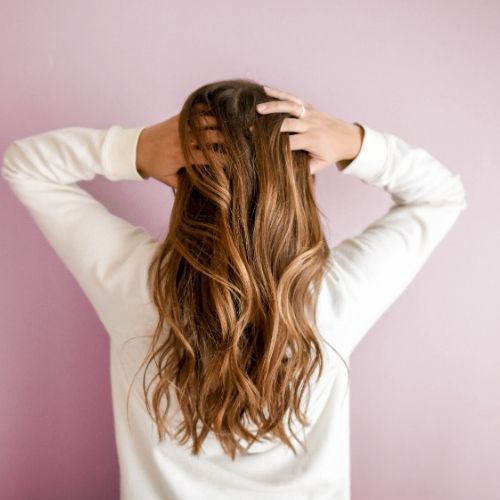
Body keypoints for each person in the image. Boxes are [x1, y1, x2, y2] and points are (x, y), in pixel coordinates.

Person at [1, 79, 467, 500]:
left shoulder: (137, 285)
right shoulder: (332, 298)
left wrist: (136, 148)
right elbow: (441, 195)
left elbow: (24, 165)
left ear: (183, 176)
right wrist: (351, 142)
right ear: (297, 183)